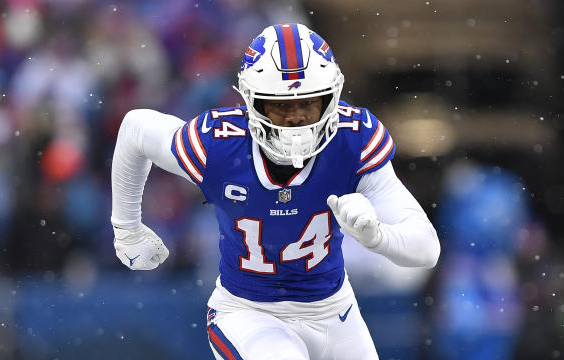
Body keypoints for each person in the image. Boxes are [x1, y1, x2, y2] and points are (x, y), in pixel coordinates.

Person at [110, 23, 440, 360]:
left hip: (335, 312)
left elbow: (427, 250)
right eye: (282, 106)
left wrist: (376, 237)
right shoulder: (219, 145)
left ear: (332, 98)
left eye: (308, 103)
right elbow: (136, 129)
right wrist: (127, 229)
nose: (297, 119)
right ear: (253, 103)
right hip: (249, 313)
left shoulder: (353, 141)